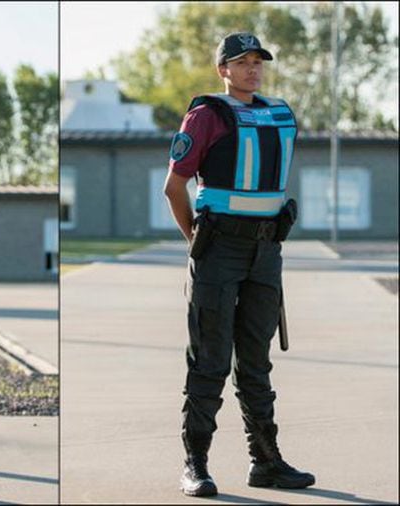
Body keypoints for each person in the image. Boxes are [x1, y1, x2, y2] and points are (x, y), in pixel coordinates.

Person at [164, 32, 315, 497]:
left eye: (257, 61)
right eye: (241, 62)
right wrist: (196, 239)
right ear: (222, 70)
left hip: (266, 253)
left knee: (256, 362)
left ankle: (266, 461)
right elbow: (174, 187)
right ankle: (196, 465)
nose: (252, 69)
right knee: (209, 361)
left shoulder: (278, 114)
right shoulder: (207, 115)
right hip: (219, 251)